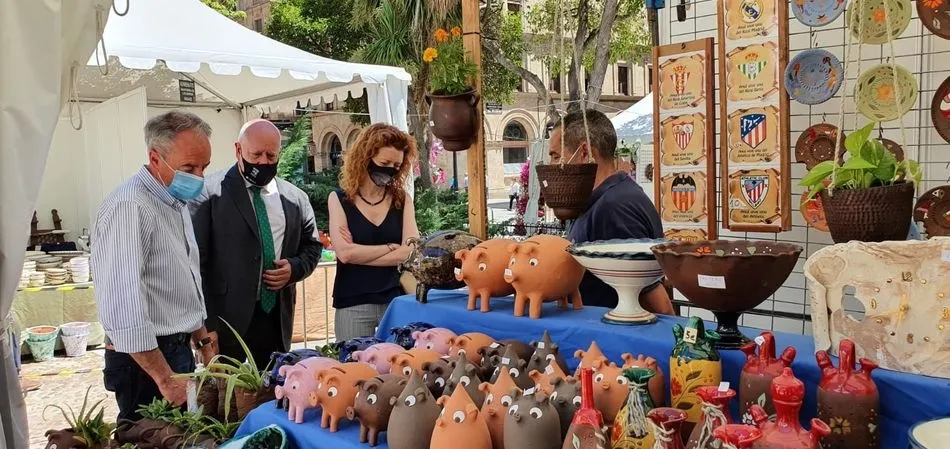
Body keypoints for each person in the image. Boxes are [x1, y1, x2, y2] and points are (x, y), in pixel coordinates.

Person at [92, 111, 214, 420]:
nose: (199, 177)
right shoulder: (131, 206)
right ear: (155, 158)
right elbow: (123, 305)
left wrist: (201, 336)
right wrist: (164, 377)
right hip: (145, 360)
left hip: (175, 350)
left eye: (204, 167)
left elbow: (180, 276)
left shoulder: (173, 201)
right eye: (189, 167)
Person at [190, 120, 323, 369]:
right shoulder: (208, 193)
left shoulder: (296, 198)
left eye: (271, 155)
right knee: (229, 403)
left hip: (276, 319)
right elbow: (196, 263)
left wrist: (294, 269)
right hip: (226, 324)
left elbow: (312, 247)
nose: (263, 162)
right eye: (256, 154)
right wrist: (205, 329)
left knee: (273, 393)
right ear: (238, 150)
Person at [548, 109, 674, 315]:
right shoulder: (603, 199)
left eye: (555, 156)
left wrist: (675, 345)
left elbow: (652, 296)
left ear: (584, 153)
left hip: (616, 342)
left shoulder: (615, 207)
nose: (553, 165)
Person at [328, 124, 420, 340]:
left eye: (397, 165)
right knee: (352, 368)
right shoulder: (340, 199)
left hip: (396, 301)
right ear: (366, 158)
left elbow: (409, 252)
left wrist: (360, 253)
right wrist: (389, 248)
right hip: (353, 302)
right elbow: (345, 254)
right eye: (384, 163)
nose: (391, 169)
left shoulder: (402, 200)